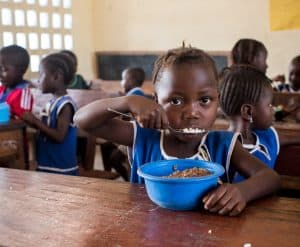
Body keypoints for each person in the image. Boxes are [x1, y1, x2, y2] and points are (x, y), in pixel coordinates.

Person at [74, 46, 279, 216]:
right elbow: (82, 120)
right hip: (144, 233)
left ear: (218, 101)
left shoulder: (223, 145)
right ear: (156, 102)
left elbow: (270, 178)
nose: (192, 112)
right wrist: (128, 101)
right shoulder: (146, 137)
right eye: (176, 100)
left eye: (204, 100)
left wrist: (243, 191)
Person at [219, 65, 280, 182]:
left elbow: (283, 139)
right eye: (270, 105)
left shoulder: (267, 136)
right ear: (248, 112)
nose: (274, 109)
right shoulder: (219, 148)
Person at [22, 53, 78, 175]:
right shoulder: (51, 103)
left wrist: (35, 122)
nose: (38, 80)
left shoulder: (66, 105)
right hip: (48, 166)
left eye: (41, 75)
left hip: (62, 169)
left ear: (56, 76)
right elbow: (46, 129)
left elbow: (59, 136)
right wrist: (31, 122)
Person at [0, 45, 33, 118]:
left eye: (4, 70)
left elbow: (23, 122)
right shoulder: (2, 89)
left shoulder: (23, 93)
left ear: (22, 70)